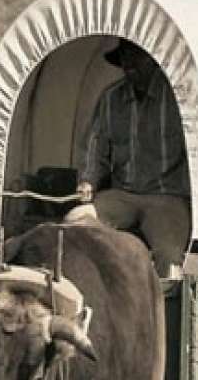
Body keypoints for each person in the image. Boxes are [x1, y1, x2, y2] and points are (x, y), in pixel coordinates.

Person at [76, 39, 191, 278]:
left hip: (166, 196)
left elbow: (197, 153)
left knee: (168, 254)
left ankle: (165, 307)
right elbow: (96, 149)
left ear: (153, 61)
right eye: (125, 60)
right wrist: (88, 181)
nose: (130, 66)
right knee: (75, 222)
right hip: (123, 195)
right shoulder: (111, 99)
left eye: (136, 58)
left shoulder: (177, 99)